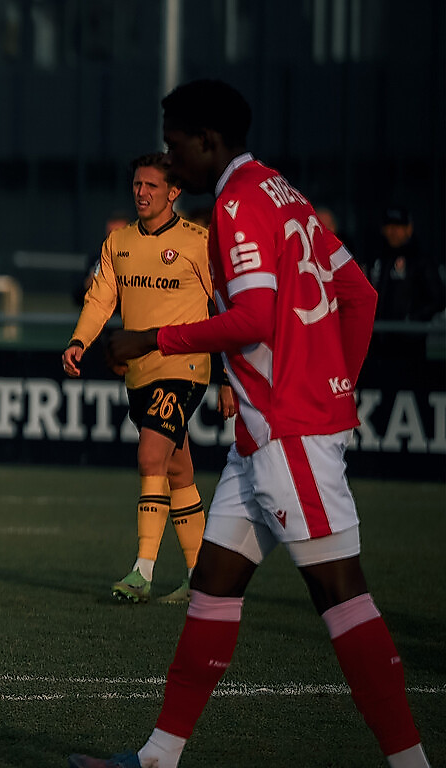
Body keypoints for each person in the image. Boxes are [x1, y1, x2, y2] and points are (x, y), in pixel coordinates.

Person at [73, 79, 427, 768]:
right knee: (212, 590)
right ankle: (157, 757)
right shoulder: (281, 192)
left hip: (287, 434)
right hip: (265, 436)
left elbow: (257, 318)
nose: (171, 163)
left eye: (176, 145)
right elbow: (359, 292)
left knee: (343, 600)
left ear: (209, 140)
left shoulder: (236, 204)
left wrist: (149, 342)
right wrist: (338, 389)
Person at [63, 153, 233, 605]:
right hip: (140, 374)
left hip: (186, 367)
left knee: (150, 454)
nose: (142, 192)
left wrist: (231, 377)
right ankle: (201, 577)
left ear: (174, 192)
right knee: (178, 470)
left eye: (152, 186)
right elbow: (100, 299)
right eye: (137, 185)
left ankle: (142, 571)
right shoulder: (117, 243)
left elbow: (227, 311)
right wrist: (79, 341)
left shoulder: (199, 243)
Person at [363, 207, 443, 359]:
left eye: (398, 226)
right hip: (377, 342)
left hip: (409, 344)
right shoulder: (377, 258)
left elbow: (438, 297)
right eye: (389, 226)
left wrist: (413, 319)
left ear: (409, 228)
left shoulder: (420, 261)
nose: (393, 231)